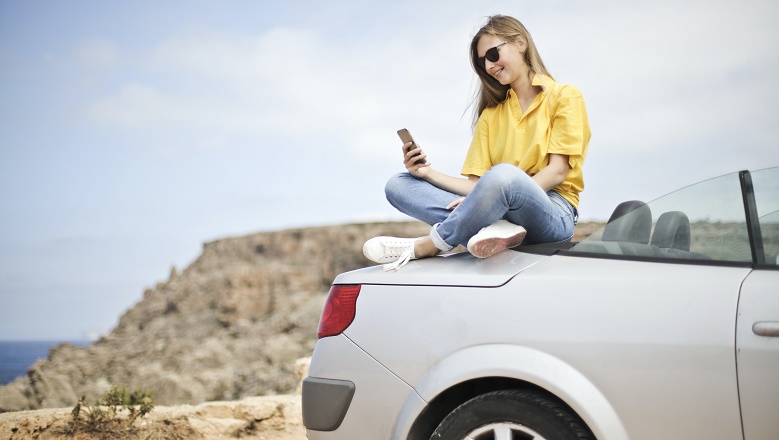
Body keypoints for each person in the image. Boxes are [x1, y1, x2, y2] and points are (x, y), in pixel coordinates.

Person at [364, 15, 590, 271]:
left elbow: (557, 171)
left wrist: (492, 198)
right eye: (483, 62)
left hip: (552, 211)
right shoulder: (491, 116)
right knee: (398, 185)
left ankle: (430, 244)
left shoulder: (565, 96)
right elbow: (476, 186)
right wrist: (426, 173)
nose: (489, 65)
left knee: (504, 176)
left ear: (520, 43)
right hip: (497, 209)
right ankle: (492, 229)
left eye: (493, 54)